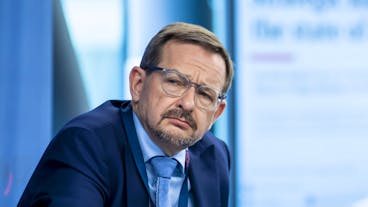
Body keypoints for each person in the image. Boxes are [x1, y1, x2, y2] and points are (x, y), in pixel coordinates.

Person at [18, 22, 234, 207]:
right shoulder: (85, 143)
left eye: (205, 95)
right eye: (175, 82)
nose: (187, 104)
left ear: (216, 113)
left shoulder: (215, 157)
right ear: (138, 84)